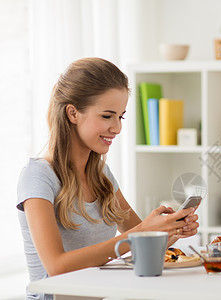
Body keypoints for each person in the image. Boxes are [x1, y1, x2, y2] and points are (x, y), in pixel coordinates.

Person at [16, 57, 199, 300]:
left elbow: (137, 240)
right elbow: (56, 266)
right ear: (73, 113)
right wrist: (143, 232)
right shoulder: (38, 176)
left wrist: (169, 230)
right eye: (107, 116)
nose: (117, 128)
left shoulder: (101, 175)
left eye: (120, 117)